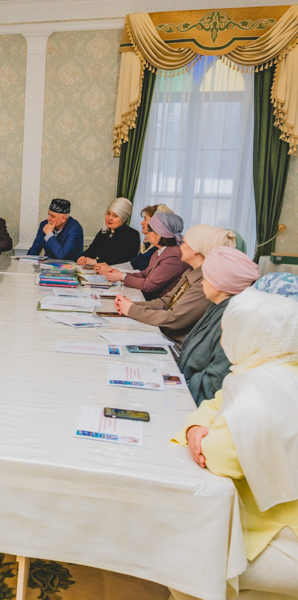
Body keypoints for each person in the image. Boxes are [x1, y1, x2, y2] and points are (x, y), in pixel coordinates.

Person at [170, 289, 298, 600]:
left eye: (229, 330)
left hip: (285, 534)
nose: (225, 338)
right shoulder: (276, 368)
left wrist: (199, 433)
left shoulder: (262, 387)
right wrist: (197, 428)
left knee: (183, 552)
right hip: (278, 519)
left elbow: (219, 456)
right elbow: (216, 403)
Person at [114, 224, 237, 351]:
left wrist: (132, 310)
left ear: (196, 249)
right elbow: (167, 301)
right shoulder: (192, 270)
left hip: (176, 346)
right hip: (165, 336)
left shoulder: (205, 283)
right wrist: (131, 305)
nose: (180, 247)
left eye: (184, 243)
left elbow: (173, 319)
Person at [177, 246, 259, 406]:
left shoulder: (234, 319)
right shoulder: (217, 305)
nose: (202, 282)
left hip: (197, 404)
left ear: (219, 283)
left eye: (206, 277)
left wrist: (176, 389)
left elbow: (215, 383)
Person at [100, 211, 189, 301]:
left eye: (149, 230)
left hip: (158, 303)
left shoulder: (174, 256)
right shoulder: (160, 251)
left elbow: (148, 285)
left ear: (159, 233)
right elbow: (144, 274)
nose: (147, 232)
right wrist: (120, 274)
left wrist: (122, 276)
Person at [76, 197, 140, 266]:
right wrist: (82, 257)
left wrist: (97, 262)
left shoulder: (132, 235)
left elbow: (124, 260)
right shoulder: (103, 232)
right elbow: (92, 251)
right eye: (108, 214)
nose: (109, 218)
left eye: (115, 216)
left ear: (123, 218)